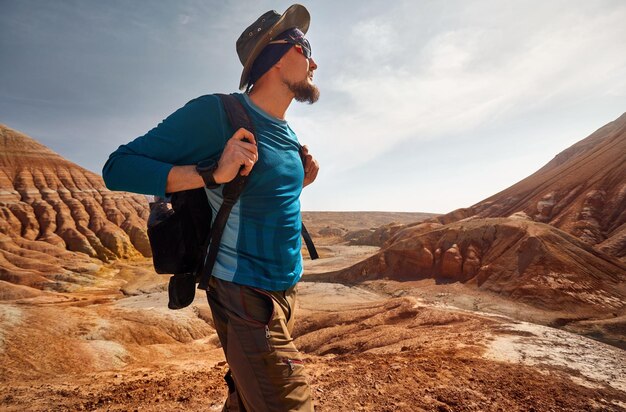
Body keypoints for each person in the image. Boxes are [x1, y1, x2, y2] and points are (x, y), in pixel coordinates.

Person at [102, 4, 319, 411]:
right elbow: (117, 168)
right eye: (305, 47)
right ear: (274, 56)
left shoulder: (287, 133)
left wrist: (301, 181)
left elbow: (260, 197)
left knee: (245, 401)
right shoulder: (217, 113)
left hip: (285, 290)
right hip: (245, 294)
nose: (315, 62)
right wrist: (210, 173)